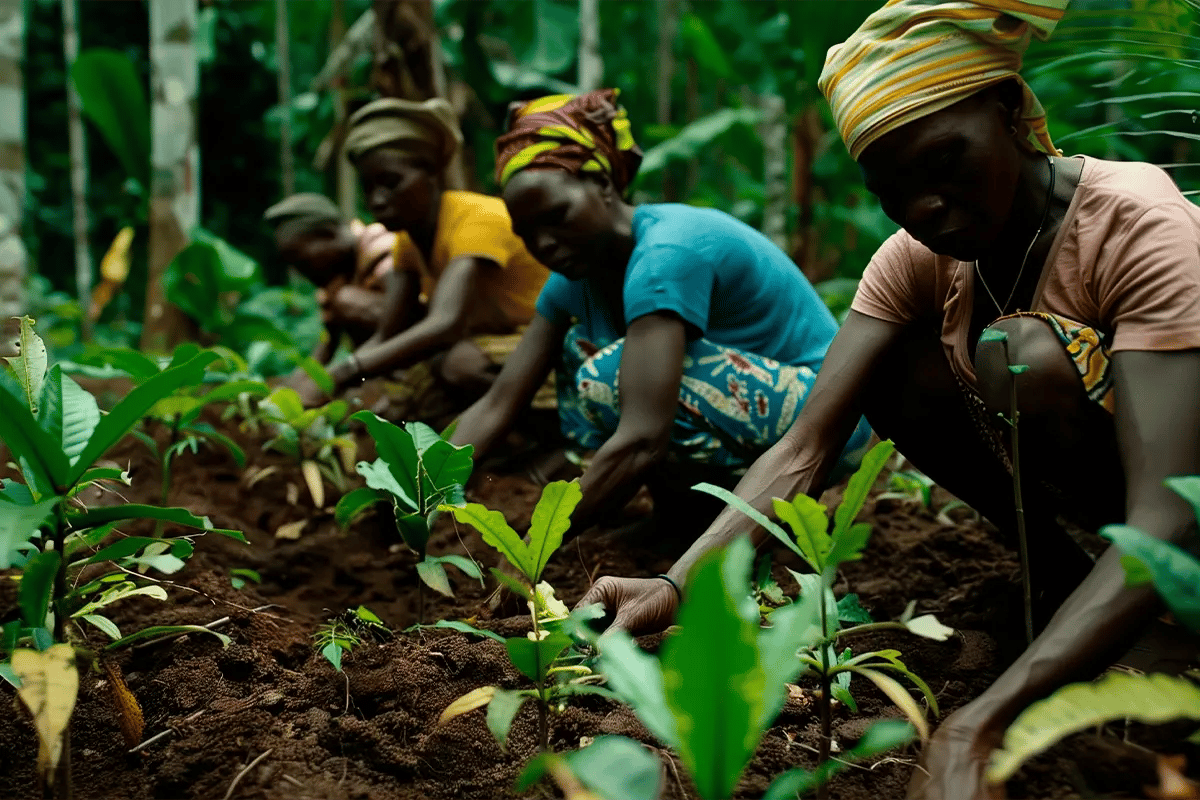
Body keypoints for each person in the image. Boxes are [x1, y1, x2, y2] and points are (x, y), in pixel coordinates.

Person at [578, 1, 1200, 798]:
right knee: (896, 368)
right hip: (1110, 503)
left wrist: (983, 721)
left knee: (1023, 356)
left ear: (1009, 111)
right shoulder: (917, 258)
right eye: (892, 187)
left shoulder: (1135, 225)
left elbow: (1167, 516)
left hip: (1177, 512)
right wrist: (674, 587)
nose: (922, 207)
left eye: (945, 161)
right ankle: (1062, 582)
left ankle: (1153, 619)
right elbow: (804, 449)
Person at [450, 89, 872, 540]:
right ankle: (680, 519)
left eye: (557, 214)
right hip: (750, 410)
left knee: (612, 375)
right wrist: (423, 486)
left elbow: (642, 439)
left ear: (603, 186)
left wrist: (537, 544)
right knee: (581, 351)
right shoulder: (574, 281)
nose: (545, 243)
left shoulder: (665, 254)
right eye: (528, 233)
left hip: (828, 422)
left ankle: (744, 527)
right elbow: (500, 402)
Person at [289, 97, 550, 407]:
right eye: (369, 188)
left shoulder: (475, 220)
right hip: (494, 344)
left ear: (430, 174)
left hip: (547, 340)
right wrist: (331, 383)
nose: (377, 200)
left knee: (458, 365)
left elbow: (444, 324)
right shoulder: (406, 243)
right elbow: (388, 332)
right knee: (406, 400)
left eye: (391, 183)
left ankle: (553, 434)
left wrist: (345, 374)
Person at [264, 193, 402, 386]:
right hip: (384, 362)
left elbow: (405, 314)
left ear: (329, 233)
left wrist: (342, 375)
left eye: (301, 259)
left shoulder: (379, 244)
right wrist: (287, 390)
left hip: (422, 345)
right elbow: (327, 347)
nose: (301, 270)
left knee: (347, 299)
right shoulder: (335, 281)